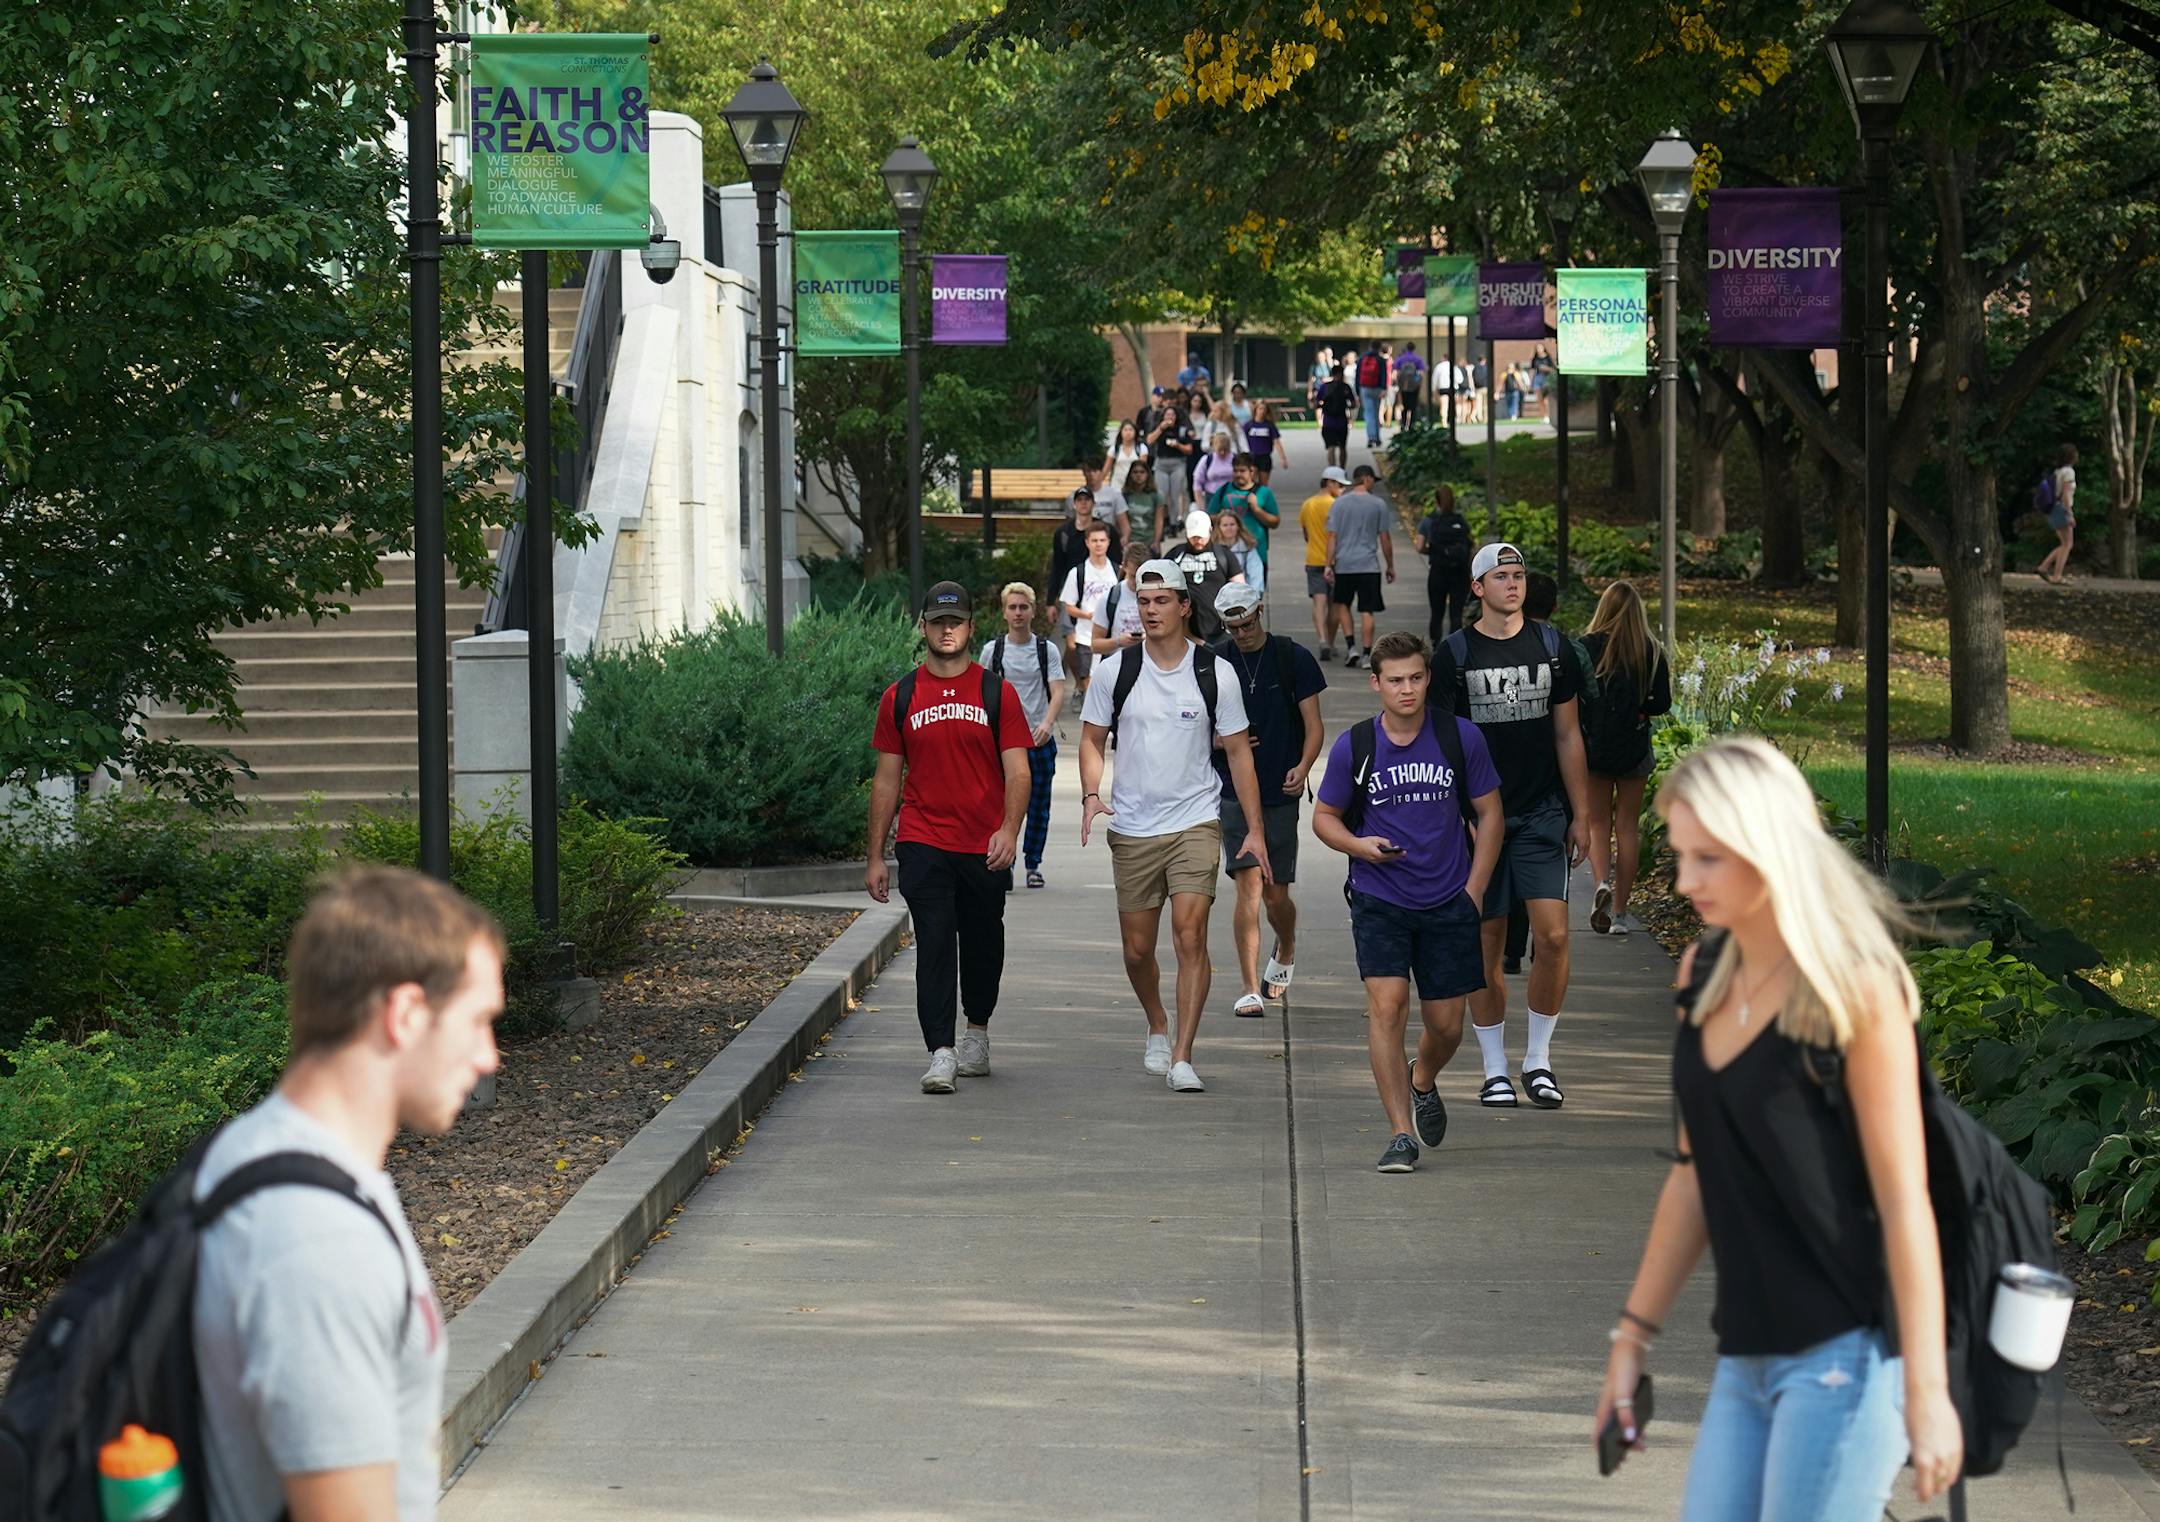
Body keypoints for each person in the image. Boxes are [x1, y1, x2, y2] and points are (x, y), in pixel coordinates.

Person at [1596, 736, 1960, 1518]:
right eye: (1680, 855)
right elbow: (1694, 1172)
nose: (1685, 880)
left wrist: (1927, 1394)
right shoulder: (1700, 976)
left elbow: (1906, 1203)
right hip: (1747, 1356)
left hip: (1847, 1354)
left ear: (1769, 849)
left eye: (1709, 859)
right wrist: (1632, 1338)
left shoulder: (1852, 992)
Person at [192, 866, 504, 1522]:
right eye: (478, 1022)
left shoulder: (254, 1153)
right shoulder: (315, 1240)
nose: (489, 1057)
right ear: (406, 1013)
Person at [1078, 560, 1270, 1093]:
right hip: (1135, 826)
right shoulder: (1116, 670)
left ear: (1185, 606)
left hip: (1196, 822)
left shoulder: (1216, 672)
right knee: (1138, 950)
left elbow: (1238, 754)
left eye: (1162, 601)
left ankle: (1183, 1054)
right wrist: (1093, 794)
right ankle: (1157, 1022)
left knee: (1190, 937)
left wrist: (1253, 829)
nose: (1151, 610)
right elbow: (1092, 738)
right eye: (1143, 602)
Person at [1314, 632, 1503, 1172]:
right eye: (1395, 680)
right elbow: (1324, 818)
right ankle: (1400, 1133)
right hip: (1380, 900)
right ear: (1376, 683)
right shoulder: (1357, 745)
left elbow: (1490, 814)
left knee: (1446, 1026)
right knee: (1388, 1008)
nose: (1406, 689)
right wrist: (1359, 847)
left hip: (1448, 898)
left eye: (1416, 678)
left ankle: (1422, 1078)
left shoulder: (1458, 738)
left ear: (1428, 679)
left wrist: (1475, 889)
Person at [1430, 543, 1592, 1111]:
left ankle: (1539, 1061)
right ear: (1477, 588)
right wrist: (1455, 818)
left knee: (1552, 935)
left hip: (1544, 812)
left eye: (1519, 575)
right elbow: (1445, 745)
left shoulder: (1553, 649)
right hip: (1480, 820)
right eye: (1501, 576)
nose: (1513, 584)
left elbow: (1568, 734)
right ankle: (1494, 1066)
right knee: (1487, 943)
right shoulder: (1455, 654)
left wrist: (1583, 814)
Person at [868, 582, 1031, 1092]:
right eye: (937, 622)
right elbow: (887, 779)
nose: (946, 630)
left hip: (984, 845)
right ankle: (940, 1050)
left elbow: (1018, 772)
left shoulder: (995, 692)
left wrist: (1009, 829)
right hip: (923, 840)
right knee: (935, 942)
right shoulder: (900, 696)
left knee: (983, 944)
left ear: (970, 628)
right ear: (923, 627)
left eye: (955, 622)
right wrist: (876, 854)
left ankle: (976, 1029)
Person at [1210, 582, 1324, 1015]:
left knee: (1276, 895)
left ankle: (1287, 944)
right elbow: (1197, 720)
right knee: (1248, 887)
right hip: (1234, 791)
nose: (1242, 633)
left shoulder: (1290, 656)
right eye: (1233, 627)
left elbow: (1314, 725)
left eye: (1247, 623)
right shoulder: (1216, 661)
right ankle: (1247, 987)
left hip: (1280, 787)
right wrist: (1218, 741)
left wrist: (1304, 764)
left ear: (1260, 611)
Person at [1579, 580, 1672, 937]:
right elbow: (1661, 703)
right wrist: (1641, 709)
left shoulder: (1587, 648)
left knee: (1598, 824)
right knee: (1627, 827)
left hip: (1595, 749)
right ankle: (1619, 912)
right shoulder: (1650, 651)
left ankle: (1601, 881)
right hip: (1633, 749)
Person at [984, 582, 1069, 891]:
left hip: (1038, 739)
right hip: (1003, 742)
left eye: (1023, 607)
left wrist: (1047, 724)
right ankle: (1004, 862)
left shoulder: (1046, 650)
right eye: (1012, 607)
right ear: (1004, 612)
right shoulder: (993, 651)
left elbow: (1058, 690)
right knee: (1001, 805)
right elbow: (982, 693)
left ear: (1033, 611)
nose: (1018, 613)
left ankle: (1033, 864)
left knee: (1038, 806)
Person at [1325, 463, 1395, 669]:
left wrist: (1328, 565)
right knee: (1367, 610)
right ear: (1366, 478)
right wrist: (1390, 565)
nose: (1373, 483)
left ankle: (1351, 648)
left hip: (1345, 565)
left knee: (1342, 605)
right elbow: (1385, 538)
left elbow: (1332, 538)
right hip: (1368, 565)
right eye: (1373, 479)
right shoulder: (1378, 504)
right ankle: (1366, 654)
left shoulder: (1338, 504)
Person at [1057, 521, 1122, 698]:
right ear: (1087, 543)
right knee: (1088, 680)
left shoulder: (1118, 571)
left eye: (1102, 540)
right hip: (1086, 636)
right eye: (1094, 540)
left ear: (1108, 542)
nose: (1098, 544)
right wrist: (1087, 615)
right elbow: (1069, 605)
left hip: (1113, 637)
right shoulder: (1077, 573)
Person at [1170, 506, 1245, 642]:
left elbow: (1240, 588)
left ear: (1210, 531)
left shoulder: (1223, 554)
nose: (1198, 540)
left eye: (1201, 536)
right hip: (1183, 634)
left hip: (1218, 631)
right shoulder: (1175, 555)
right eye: (1194, 537)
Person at [1047, 490, 1110, 649]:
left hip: (1099, 589)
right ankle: (1080, 675)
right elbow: (1057, 566)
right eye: (1079, 499)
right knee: (1072, 644)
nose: (1083, 503)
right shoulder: (1063, 533)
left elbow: (1116, 562)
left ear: (1093, 503)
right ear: (1074, 504)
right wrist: (1050, 601)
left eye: (1087, 499)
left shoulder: (1105, 530)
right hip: (1071, 591)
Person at [1301, 465, 1350, 660]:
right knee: (1335, 605)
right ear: (1329, 482)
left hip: (1313, 559)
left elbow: (1306, 534)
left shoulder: (1308, 504)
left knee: (1318, 602)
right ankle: (1329, 642)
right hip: (1336, 561)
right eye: (1340, 485)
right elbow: (1340, 535)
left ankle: (1322, 639)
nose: (1342, 490)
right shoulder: (1337, 505)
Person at [1414, 484, 1474, 641]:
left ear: (1436, 500)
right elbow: (1470, 546)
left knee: (1437, 612)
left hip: (1438, 572)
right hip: (1459, 573)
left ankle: (1435, 645)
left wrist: (1433, 551)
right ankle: (1455, 648)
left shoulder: (1428, 521)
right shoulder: (1460, 521)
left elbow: (1419, 547)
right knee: (1456, 613)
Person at [1210, 451, 1281, 573]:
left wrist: (1257, 510)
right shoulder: (1223, 491)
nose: (1238, 474)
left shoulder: (1263, 493)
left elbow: (1275, 522)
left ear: (1252, 471)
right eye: (1235, 471)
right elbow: (1209, 517)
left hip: (1257, 552)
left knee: (1256, 590)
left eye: (1242, 471)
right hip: (1227, 553)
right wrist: (1224, 516)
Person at [1091, 543, 1154, 656]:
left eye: (1142, 577)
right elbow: (1095, 645)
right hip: (1118, 665)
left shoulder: (1157, 597)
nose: (1137, 582)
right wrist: (1119, 641)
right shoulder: (1110, 598)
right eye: (1133, 576)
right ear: (1124, 567)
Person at [2037, 441, 2079, 584]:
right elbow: (2066, 495)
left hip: (2053, 509)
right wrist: (2070, 514)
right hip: (2062, 509)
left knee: (2064, 543)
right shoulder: (2069, 472)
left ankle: (2044, 567)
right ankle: (2057, 576)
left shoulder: (2057, 472)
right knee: (2067, 544)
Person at [1150, 392, 1195, 518]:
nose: (1170, 417)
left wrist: (1178, 445)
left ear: (1176, 417)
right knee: (1162, 494)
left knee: (1176, 493)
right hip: (1161, 463)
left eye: (1172, 415)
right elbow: (1149, 440)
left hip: (1177, 463)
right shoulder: (1159, 428)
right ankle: (1164, 520)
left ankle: (1175, 521)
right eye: (1167, 414)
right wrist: (1160, 428)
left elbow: (1189, 449)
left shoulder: (1181, 430)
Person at [1213, 508, 1263, 590]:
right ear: (1219, 528)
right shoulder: (1212, 548)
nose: (1229, 528)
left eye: (1232, 524)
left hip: (1242, 594)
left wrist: (1253, 597)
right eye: (1225, 525)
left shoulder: (1248, 548)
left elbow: (1256, 576)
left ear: (1238, 526)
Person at [1122, 459, 1163, 556]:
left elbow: (1159, 521)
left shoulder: (1156, 495)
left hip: (1149, 542)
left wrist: (1156, 541)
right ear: (1130, 475)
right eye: (1135, 472)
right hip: (1131, 543)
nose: (1138, 475)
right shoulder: (1125, 495)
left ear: (1147, 474)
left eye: (1142, 472)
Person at [1242, 399, 1288, 485]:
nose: (1262, 412)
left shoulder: (1269, 426)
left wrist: (1283, 458)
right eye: (1260, 409)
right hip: (1252, 457)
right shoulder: (1248, 425)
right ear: (1256, 410)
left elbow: (1276, 441)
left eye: (1264, 409)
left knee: (1263, 484)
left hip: (1265, 457)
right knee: (1250, 482)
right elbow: (1242, 441)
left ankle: (1261, 497)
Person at [1318, 362, 1354, 467]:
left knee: (1331, 447)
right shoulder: (1346, 387)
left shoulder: (1324, 387)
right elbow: (1353, 403)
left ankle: (1332, 470)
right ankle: (1342, 469)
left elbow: (1316, 401)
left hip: (1328, 421)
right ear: (1341, 374)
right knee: (1342, 447)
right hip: (1341, 421)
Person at [1356, 341, 1388, 447]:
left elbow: (1358, 375)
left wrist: (1357, 391)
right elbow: (1384, 375)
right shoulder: (1381, 360)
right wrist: (1384, 388)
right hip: (1377, 388)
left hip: (1364, 388)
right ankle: (1377, 438)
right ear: (1379, 348)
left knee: (1369, 414)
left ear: (1370, 346)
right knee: (1376, 413)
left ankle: (1371, 438)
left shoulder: (1362, 358)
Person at [1193, 427, 1237, 503]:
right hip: (1211, 496)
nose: (1222, 453)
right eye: (1220, 450)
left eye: (1225, 450)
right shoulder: (1207, 460)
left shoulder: (1235, 459)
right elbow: (1197, 482)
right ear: (1214, 447)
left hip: (1232, 496)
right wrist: (1200, 504)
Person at [1105, 419, 1149, 487]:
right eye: (1125, 430)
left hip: (1135, 486)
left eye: (1131, 430)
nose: (1128, 433)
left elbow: (1142, 468)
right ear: (1121, 432)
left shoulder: (1142, 448)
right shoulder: (1114, 449)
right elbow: (1106, 468)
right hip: (1117, 485)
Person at [1393, 341, 1426, 429]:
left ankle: (1403, 424)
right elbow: (1421, 373)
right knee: (1413, 406)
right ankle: (1412, 424)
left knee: (1404, 405)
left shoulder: (1400, 359)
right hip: (1414, 386)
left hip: (1403, 386)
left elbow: (1396, 372)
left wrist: (1399, 383)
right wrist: (1418, 383)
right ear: (1414, 348)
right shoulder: (1417, 359)